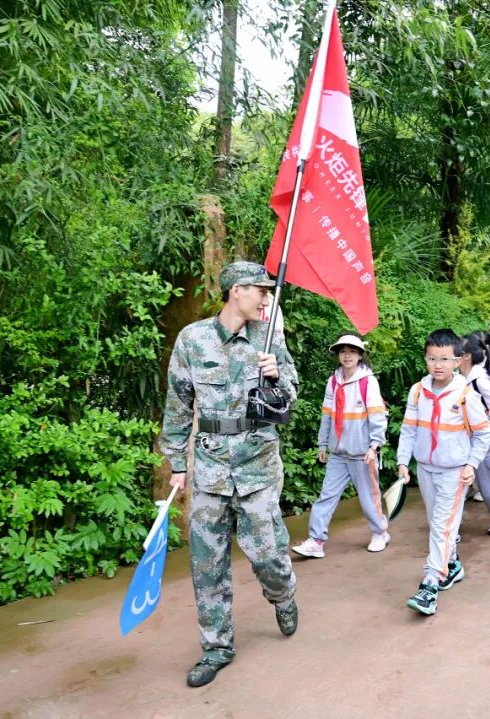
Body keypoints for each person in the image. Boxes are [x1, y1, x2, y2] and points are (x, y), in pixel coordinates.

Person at [161, 261, 299, 688]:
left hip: (258, 462)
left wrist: (278, 375)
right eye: (261, 290)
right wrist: (177, 464)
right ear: (236, 290)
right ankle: (216, 647)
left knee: (268, 555)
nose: (266, 298)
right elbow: (178, 404)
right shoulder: (193, 339)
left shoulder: (269, 335)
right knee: (207, 562)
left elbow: (292, 395)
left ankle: (282, 594)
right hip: (210, 467)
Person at [396, 329, 490, 616]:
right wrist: (403, 461)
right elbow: (409, 429)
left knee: (441, 526)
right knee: (438, 524)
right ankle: (452, 565)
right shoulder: (418, 391)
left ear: (457, 361)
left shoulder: (465, 395)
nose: (438, 365)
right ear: (425, 359)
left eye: (444, 359)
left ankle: (430, 585)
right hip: (426, 469)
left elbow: (483, 433)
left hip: (454, 472)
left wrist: (471, 464)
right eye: (432, 358)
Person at [293, 335, 390, 558]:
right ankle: (316, 541)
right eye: (343, 351)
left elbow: (377, 415)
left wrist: (374, 445)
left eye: (352, 351)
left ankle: (380, 533)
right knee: (326, 496)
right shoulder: (333, 381)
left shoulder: (368, 382)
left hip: (362, 453)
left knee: (369, 497)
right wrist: (322, 444)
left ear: (360, 355)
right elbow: (327, 415)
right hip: (338, 453)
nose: (347, 356)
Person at [459, 334, 490, 536]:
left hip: (485, 443)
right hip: (463, 441)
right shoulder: (460, 378)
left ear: (467, 356)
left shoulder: (479, 380)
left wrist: (487, 427)